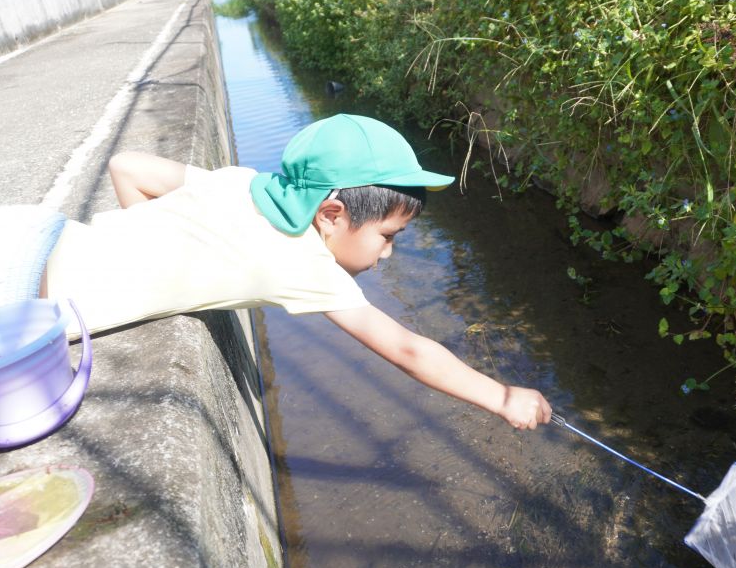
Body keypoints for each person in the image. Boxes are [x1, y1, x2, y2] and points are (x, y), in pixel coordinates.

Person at [40, 114, 552, 431]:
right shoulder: (301, 259)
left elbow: (127, 166)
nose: (389, 254)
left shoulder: (243, 182)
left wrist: (153, 255)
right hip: (30, 306)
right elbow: (408, 350)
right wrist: (503, 397)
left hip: (37, 237)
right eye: (387, 237)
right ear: (331, 215)